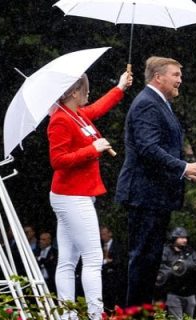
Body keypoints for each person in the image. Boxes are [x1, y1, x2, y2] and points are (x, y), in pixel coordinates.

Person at [115, 56, 196, 306]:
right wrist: (183, 167)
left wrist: (185, 170)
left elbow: (160, 148)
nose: (181, 80)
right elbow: (148, 148)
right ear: (159, 77)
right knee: (143, 259)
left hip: (156, 195)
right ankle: (136, 313)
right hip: (145, 194)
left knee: (150, 260)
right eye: (176, 75)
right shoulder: (147, 104)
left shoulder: (160, 104)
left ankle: (142, 311)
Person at [47, 68, 132, 319]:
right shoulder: (60, 119)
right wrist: (93, 149)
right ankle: (96, 315)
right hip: (72, 196)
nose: (88, 93)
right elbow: (58, 160)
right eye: (85, 89)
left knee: (68, 261)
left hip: (72, 195)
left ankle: (67, 315)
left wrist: (120, 88)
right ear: (74, 92)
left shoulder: (77, 114)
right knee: (93, 258)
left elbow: (97, 108)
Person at [158, 227, 196, 319]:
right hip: (173, 292)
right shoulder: (166, 251)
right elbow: (161, 269)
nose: (184, 240)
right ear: (174, 238)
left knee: (189, 317)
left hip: (189, 292)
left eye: (185, 238)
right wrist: (176, 269)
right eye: (181, 237)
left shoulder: (189, 251)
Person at [101, 226, 125, 310]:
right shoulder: (101, 246)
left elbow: (119, 260)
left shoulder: (117, 245)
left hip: (115, 278)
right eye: (101, 234)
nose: (103, 236)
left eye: (104, 234)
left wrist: (109, 261)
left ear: (110, 233)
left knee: (115, 301)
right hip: (104, 279)